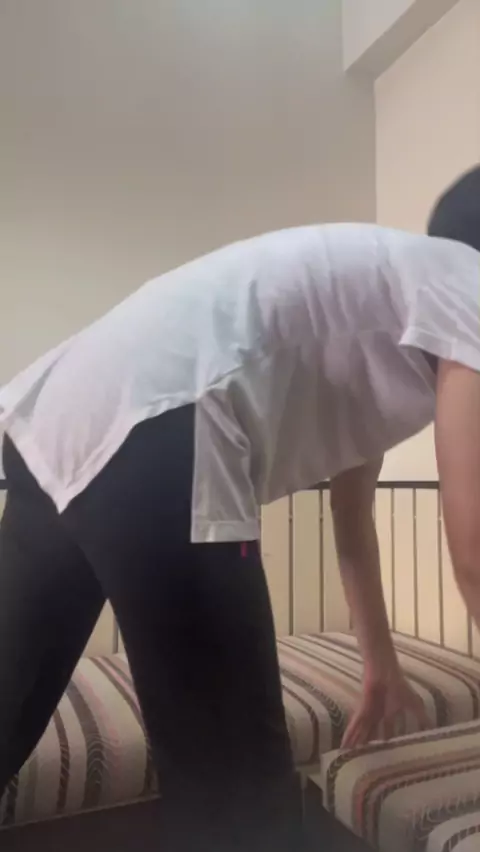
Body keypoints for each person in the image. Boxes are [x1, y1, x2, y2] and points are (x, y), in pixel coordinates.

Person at [1, 220, 480, 851]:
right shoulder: (467, 289)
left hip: (54, 418)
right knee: (239, 797)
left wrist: (380, 664)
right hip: (158, 422)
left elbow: (352, 512)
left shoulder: (398, 300)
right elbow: (470, 539)